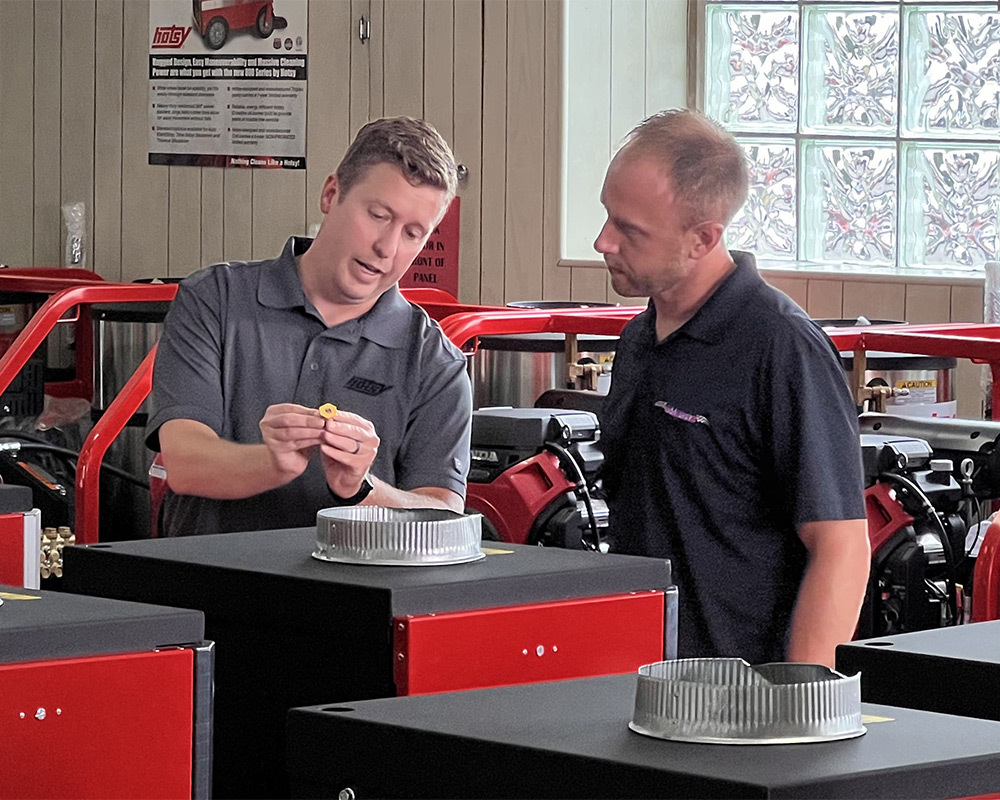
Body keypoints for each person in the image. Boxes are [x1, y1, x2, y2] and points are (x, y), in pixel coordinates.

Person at [595, 109, 870, 668]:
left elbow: (842, 547)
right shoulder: (639, 340)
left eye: (630, 229)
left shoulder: (782, 348)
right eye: (607, 216)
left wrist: (796, 697)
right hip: (639, 679)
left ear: (703, 239)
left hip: (740, 698)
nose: (602, 241)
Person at [146, 117, 472, 537]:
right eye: (377, 215)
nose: (387, 248)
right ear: (331, 193)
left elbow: (443, 516)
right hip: (210, 591)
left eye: (413, 234)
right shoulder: (215, 299)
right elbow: (186, 465)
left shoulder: (435, 362)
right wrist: (273, 462)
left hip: (360, 596)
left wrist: (360, 488)